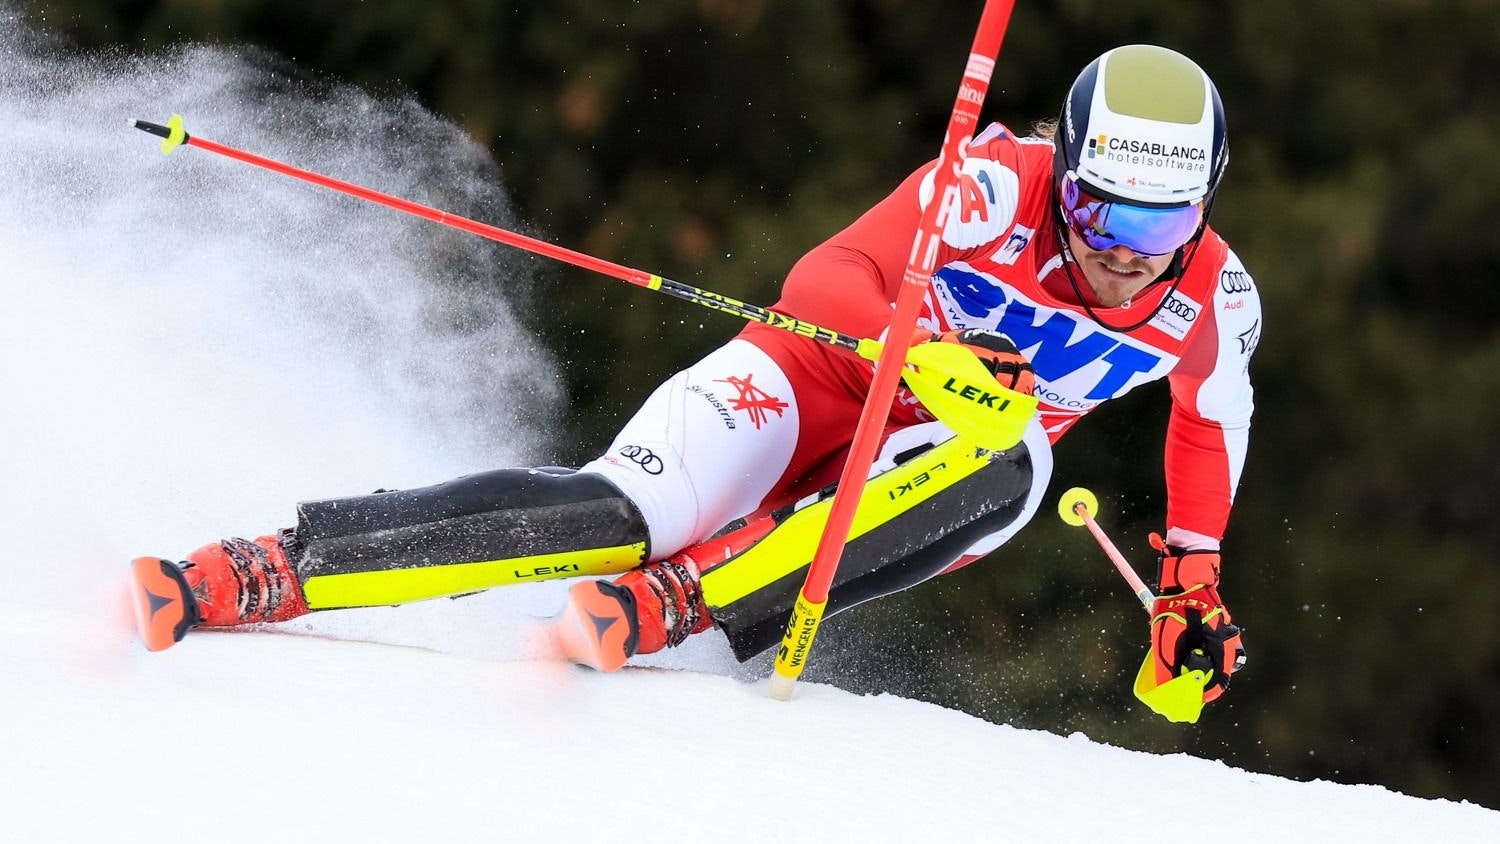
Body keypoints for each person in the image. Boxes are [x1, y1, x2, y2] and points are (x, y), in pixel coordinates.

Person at [131, 44, 1252, 711]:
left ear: (1204, 201)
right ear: (1066, 172)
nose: (1128, 251)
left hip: (928, 478)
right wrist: (922, 353)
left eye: (1164, 222)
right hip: (810, 382)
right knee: (617, 516)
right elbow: (826, 278)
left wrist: (1190, 591)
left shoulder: (1216, 299)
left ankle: (682, 602)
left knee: (1014, 459)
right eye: (1103, 211)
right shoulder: (995, 187)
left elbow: (1206, 426)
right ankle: (264, 570)